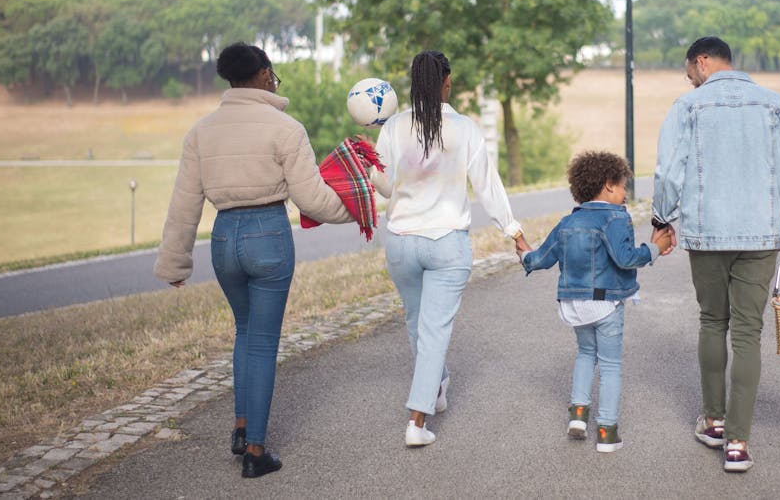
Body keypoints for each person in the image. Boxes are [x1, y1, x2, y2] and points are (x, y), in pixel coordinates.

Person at [154, 42, 355, 479]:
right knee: (262, 341)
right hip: (268, 234)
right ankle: (256, 453)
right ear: (265, 74)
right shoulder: (285, 128)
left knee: (244, 332)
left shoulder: (201, 132)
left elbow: (184, 203)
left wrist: (174, 264)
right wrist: (355, 210)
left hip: (224, 239)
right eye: (273, 73)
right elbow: (311, 198)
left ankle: (242, 428)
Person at [652, 36, 780, 473]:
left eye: (689, 70)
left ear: (703, 61)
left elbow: (668, 171)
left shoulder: (687, 108)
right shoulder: (775, 105)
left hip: (706, 234)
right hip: (760, 237)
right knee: (748, 333)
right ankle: (737, 444)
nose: (689, 79)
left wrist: (661, 219)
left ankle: (713, 422)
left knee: (713, 322)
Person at [368, 50, 530, 447]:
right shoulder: (465, 129)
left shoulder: (393, 128)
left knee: (416, 322)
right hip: (447, 246)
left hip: (402, 243)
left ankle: (437, 386)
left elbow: (384, 185)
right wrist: (515, 233)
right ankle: (417, 422)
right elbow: (488, 187)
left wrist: (390, 173)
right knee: (434, 330)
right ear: (446, 82)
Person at [517, 151, 673, 453]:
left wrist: (524, 253)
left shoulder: (566, 223)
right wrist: (654, 248)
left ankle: (578, 415)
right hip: (607, 303)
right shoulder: (616, 218)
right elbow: (626, 259)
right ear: (609, 186)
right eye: (624, 186)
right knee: (611, 364)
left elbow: (540, 259)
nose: (626, 193)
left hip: (574, 304)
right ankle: (606, 431)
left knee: (586, 353)